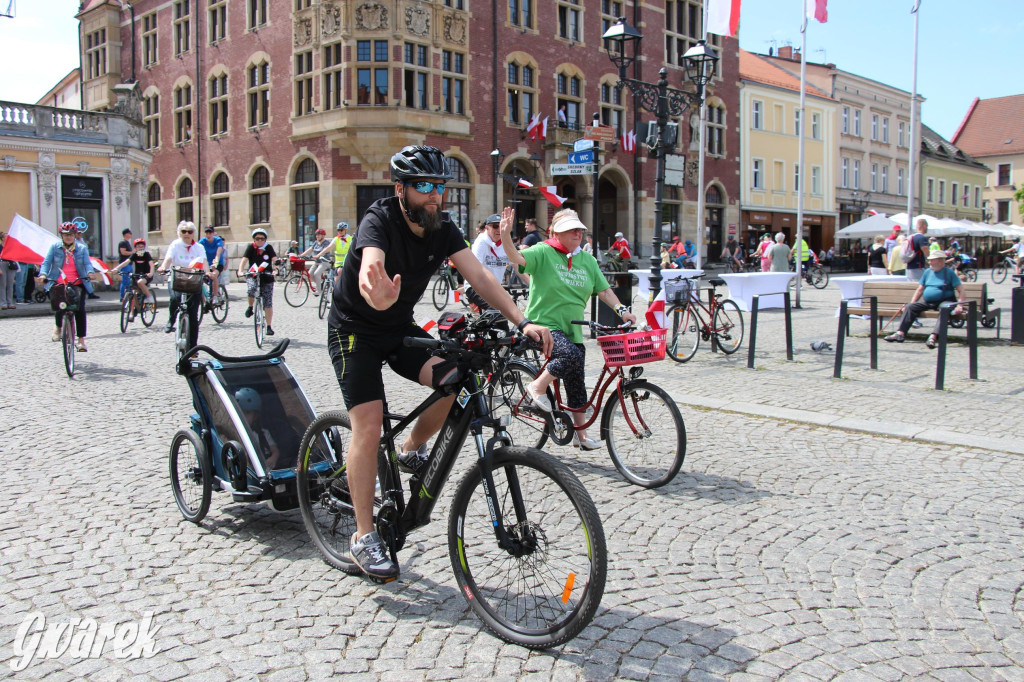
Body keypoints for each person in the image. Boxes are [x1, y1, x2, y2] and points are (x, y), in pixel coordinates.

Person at [327, 145, 551, 580]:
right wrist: (378, 293)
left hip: (398, 327)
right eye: (423, 187)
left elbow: (482, 277)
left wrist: (522, 322)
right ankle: (363, 536)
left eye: (439, 188)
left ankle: (411, 448)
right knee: (369, 425)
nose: (434, 196)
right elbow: (369, 268)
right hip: (353, 330)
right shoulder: (379, 219)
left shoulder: (443, 227)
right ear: (401, 189)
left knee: (457, 379)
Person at [500, 207, 635, 449]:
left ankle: (580, 437)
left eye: (580, 230)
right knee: (570, 356)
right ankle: (537, 386)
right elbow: (516, 258)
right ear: (556, 233)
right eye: (571, 230)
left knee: (576, 381)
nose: (577, 234)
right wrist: (507, 236)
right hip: (543, 325)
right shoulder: (543, 251)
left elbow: (604, 290)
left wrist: (622, 311)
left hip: (573, 328)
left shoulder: (587, 260)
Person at [36, 222, 101, 350]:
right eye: (66, 235)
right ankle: (58, 327)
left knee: (80, 310)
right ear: (61, 235)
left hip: (77, 282)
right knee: (60, 306)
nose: (68, 237)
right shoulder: (54, 247)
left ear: (75, 235)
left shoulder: (81, 248)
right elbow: (46, 262)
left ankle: (81, 340)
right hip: (59, 281)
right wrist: (43, 274)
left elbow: (87, 263)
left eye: (71, 235)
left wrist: (90, 273)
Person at [885, 250, 967, 348]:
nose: (929, 262)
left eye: (932, 260)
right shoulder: (927, 272)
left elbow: (961, 290)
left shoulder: (949, 273)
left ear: (941, 261)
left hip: (945, 301)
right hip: (928, 302)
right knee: (910, 307)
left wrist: (960, 305)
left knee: (945, 309)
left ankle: (934, 336)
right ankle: (900, 333)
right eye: (929, 260)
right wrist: (911, 303)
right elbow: (920, 290)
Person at [157, 220, 209, 348]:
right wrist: (163, 267)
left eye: (189, 232)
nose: (186, 234)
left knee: (193, 316)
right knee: (175, 298)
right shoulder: (175, 245)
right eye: (183, 231)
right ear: (179, 233)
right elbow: (169, 258)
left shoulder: (199, 247)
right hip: (177, 279)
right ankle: (171, 319)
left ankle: (193, 347)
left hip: (193, 281)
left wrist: (207, 273)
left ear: (193, 234)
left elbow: (204, 261)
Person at [237, 228, 278, 336]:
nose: (259, 241)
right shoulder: (251, 247)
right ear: (254, 239)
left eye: (262, 239)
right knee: (251, 289)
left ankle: (269, 326)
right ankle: (250, 307)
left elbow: (274, 259)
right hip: (253, 274)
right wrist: (240, 270)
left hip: (267, 276)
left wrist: (276, 269)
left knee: (268, 301)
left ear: (265, 239)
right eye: (257, 239)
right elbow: (244, 259)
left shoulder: (268, 247)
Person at [465, 213, 509, 310]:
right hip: (476, 287)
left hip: (495, 289)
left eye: (501, 226)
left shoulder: (506, 242)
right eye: (495, 226)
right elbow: (476, 269)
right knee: (497, 314)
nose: (498, 229)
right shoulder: (481, 242)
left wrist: (531, 285)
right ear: (487, 228)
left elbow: (517, 266)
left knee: (505, 316)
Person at [235, 387, 281, 464]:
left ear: (255, 415)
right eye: (241, 412)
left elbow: (275, 451)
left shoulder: (263, 433)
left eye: (248, 412)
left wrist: (273, 458)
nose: (243, 416)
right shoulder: (234, 433)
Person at [113, 238, 155, 310]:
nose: (140, 248)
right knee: (133, 291)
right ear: (135, 248)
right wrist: (117, 268)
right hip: (137, 275)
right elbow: (126, 262)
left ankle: (149, 297)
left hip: (146, 275)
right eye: (138, 247)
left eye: (142, 247)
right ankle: (132, 312)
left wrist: (151, 273)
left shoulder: (146, 254)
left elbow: (151, 264)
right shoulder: (135, 255)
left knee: (140, 282)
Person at [198, 225, 226, 303]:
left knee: (213, 275)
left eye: (210, 233)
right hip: (206, 264)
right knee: (198, 280)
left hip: (217, 264)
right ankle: (204, 302)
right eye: (207, 233)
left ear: (213, 233)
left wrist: (216, 262)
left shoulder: (218, 240)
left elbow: (218, 252)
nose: (208, 235)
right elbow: (196, 250)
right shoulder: (202, 241)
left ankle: (215, 296)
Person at [904, 218, 930, 282]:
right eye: (927, 226)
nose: (927, 228)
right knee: (919, 285)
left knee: (911, 285)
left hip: (909, 266)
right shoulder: (921, 237)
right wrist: (930, 260)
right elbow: (925, 249)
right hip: (918, 267)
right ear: (924, 226)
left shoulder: (911, 237)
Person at [0, 231, 19, 309]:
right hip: (2, 264)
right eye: (6, 236)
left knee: (10, 285)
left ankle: (10, 302)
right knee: (3, 285)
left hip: (11, 265)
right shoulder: (0, 247)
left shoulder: (11, 247)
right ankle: (3, 303)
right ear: (2, 238)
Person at [117, 228, 134, 302]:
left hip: (129, 264)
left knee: (129, 281)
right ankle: (122, 297)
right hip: (124, 264)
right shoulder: (122, 242)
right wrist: (132, 252)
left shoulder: (127, 243)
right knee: (125, 281)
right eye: (129, 233)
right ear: (126, 234)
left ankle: (128, 296)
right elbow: (123, 252)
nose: (131, 234)